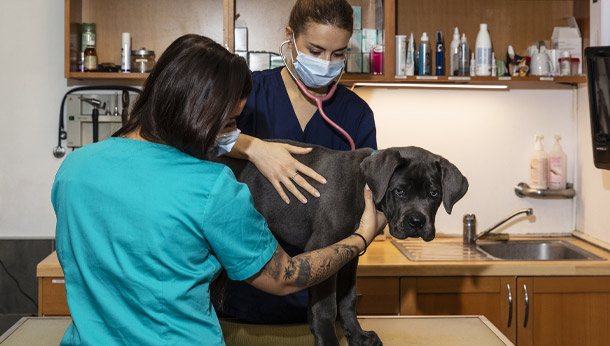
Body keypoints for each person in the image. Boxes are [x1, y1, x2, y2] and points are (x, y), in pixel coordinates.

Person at [52, 34, 385, 345]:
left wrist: (251, 147)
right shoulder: (211, 188)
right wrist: (360, 238)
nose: (233, 134)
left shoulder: (75, 169)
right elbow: (285, 275)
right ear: (197, 114)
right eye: (228, 123)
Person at [217, 0, 378, 324]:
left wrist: (371, 228)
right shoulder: (248, 92)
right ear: (290, 37)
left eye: (337, 54)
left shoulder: (356, 115)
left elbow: (376, 194)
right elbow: (197, 141)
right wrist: (254, 148)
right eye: (315, 51)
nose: (326, 63)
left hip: (323, 295)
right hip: (244, 295)